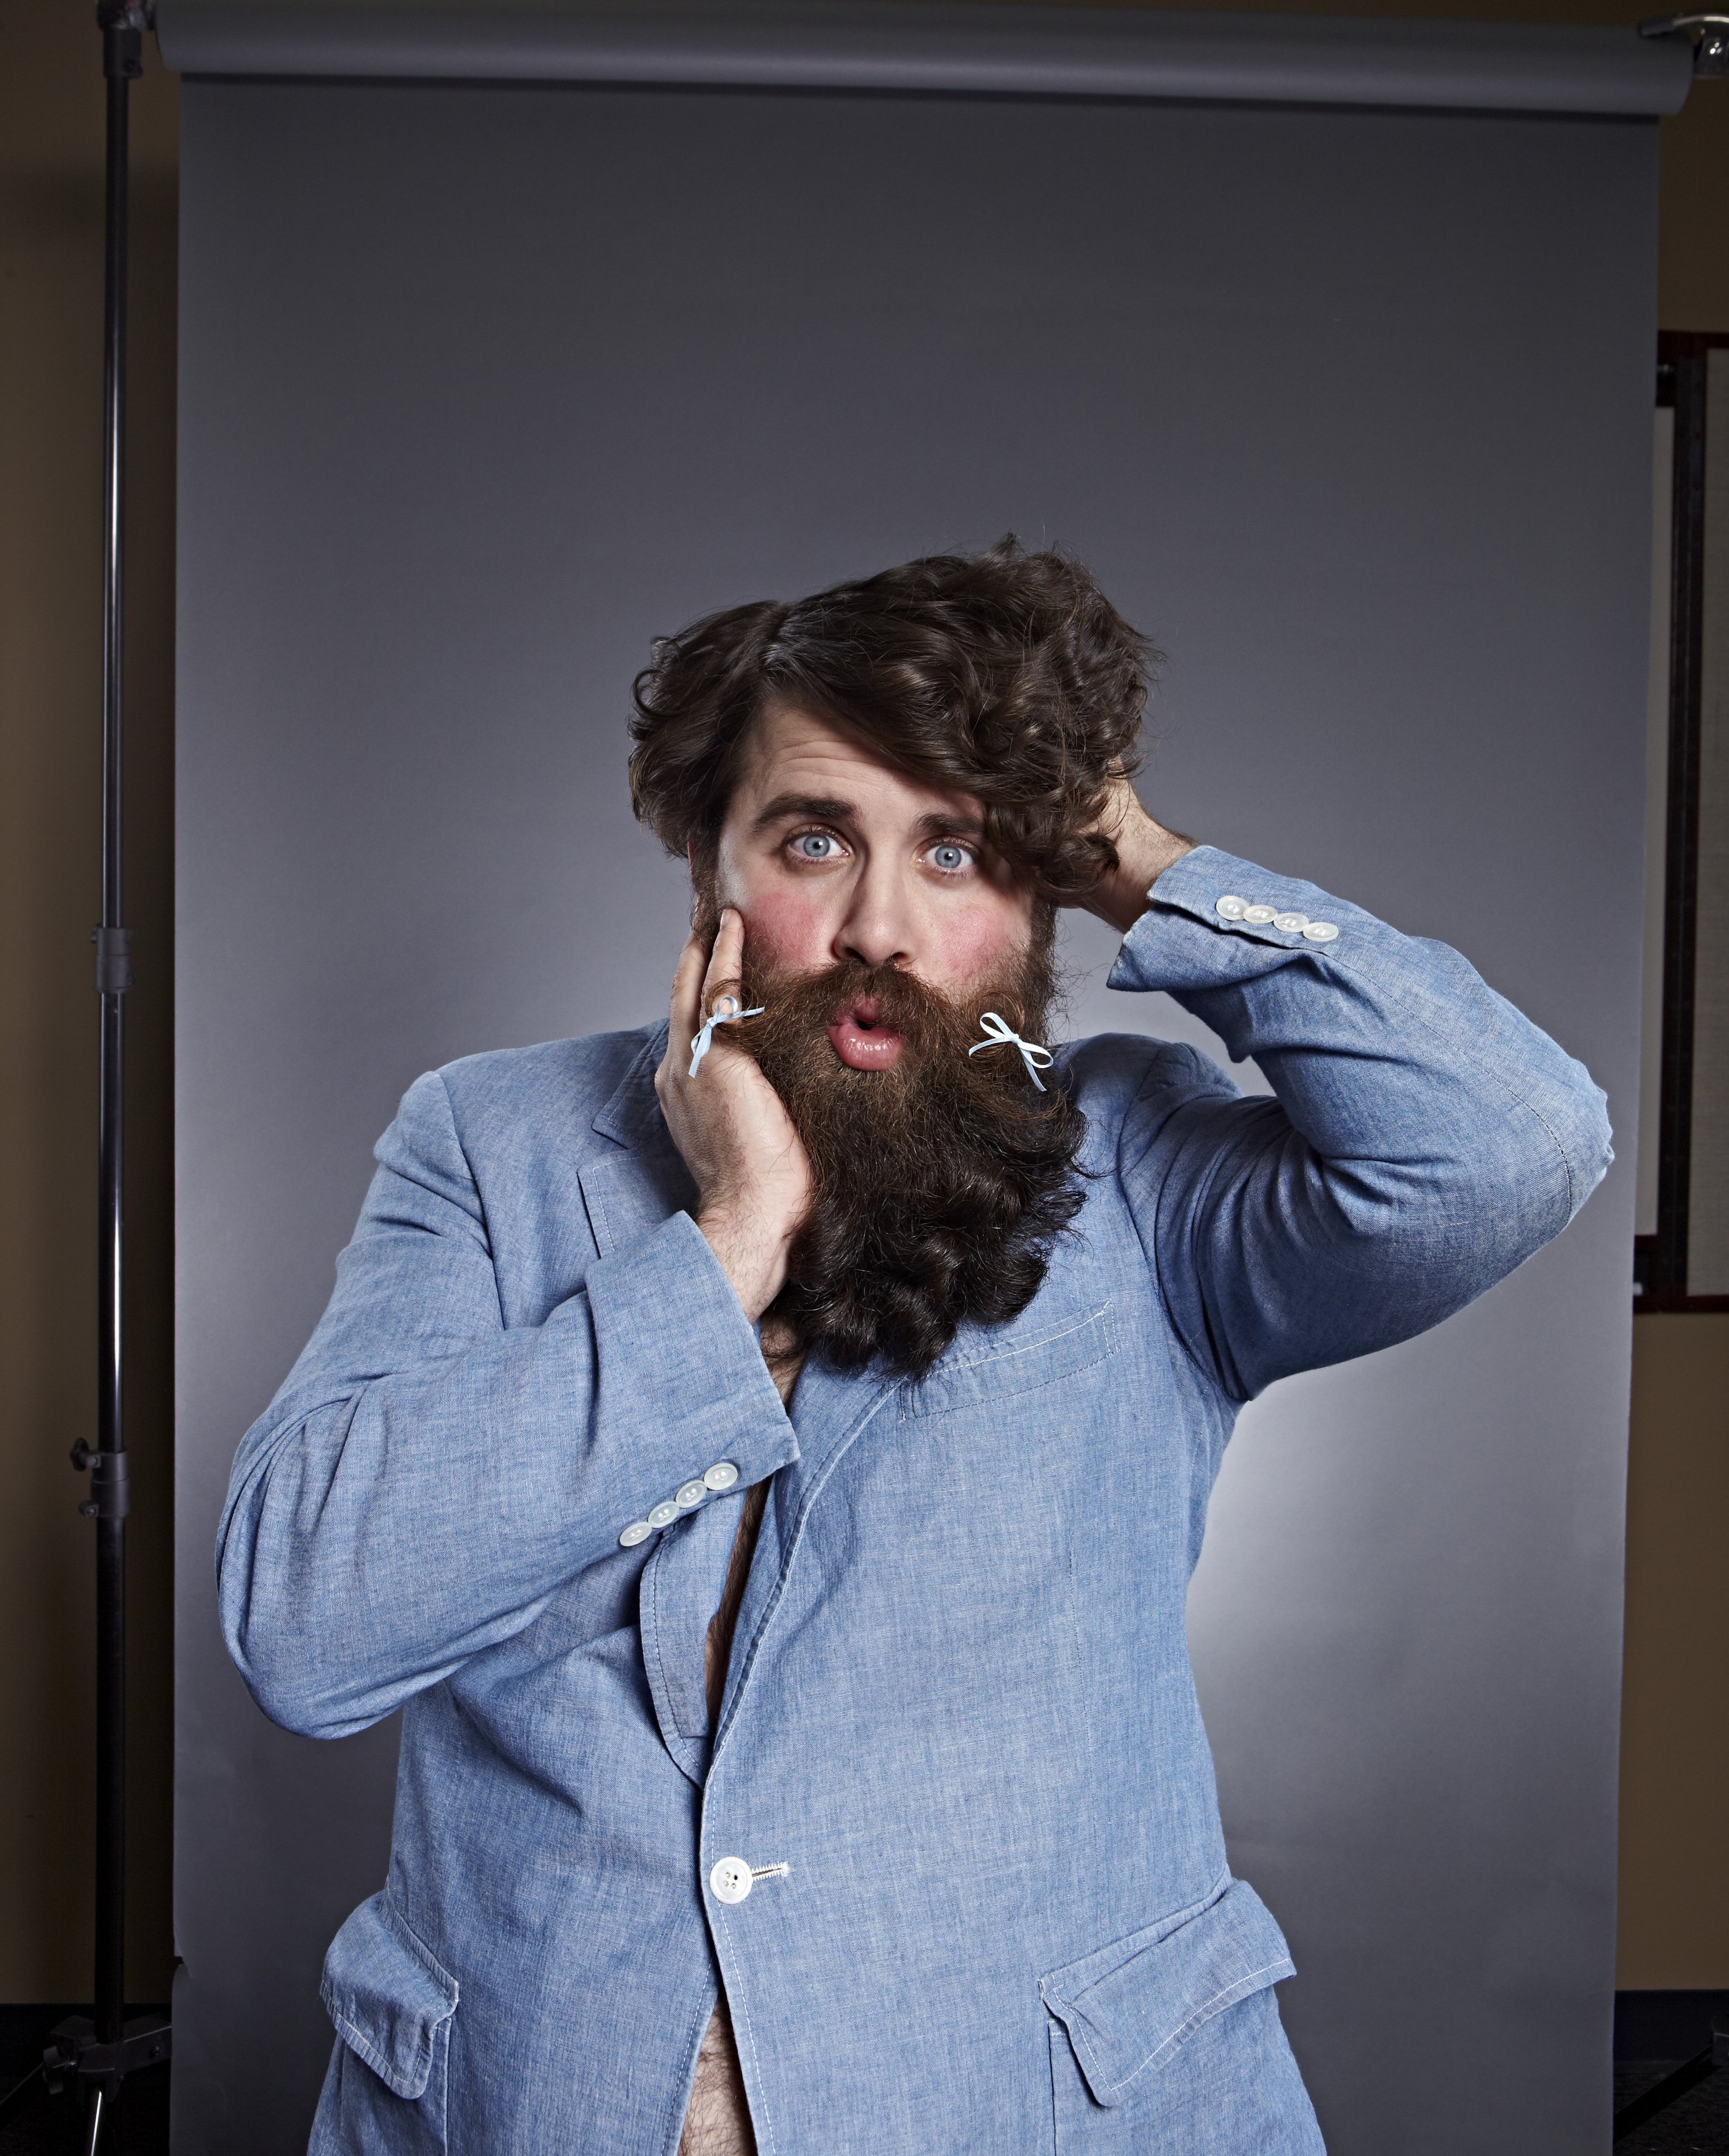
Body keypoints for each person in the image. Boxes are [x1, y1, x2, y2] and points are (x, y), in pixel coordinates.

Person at [219, 540, 1610, 2156]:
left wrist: (1122, 847)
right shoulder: (491, 1142)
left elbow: (1508, 1147)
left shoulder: (1143, 1169)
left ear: (1035, 897)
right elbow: (307, 1626)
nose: (878, 923)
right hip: (542, 2101)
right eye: (815, 840)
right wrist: (729, 1243)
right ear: (711, 876)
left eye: (955, 853)